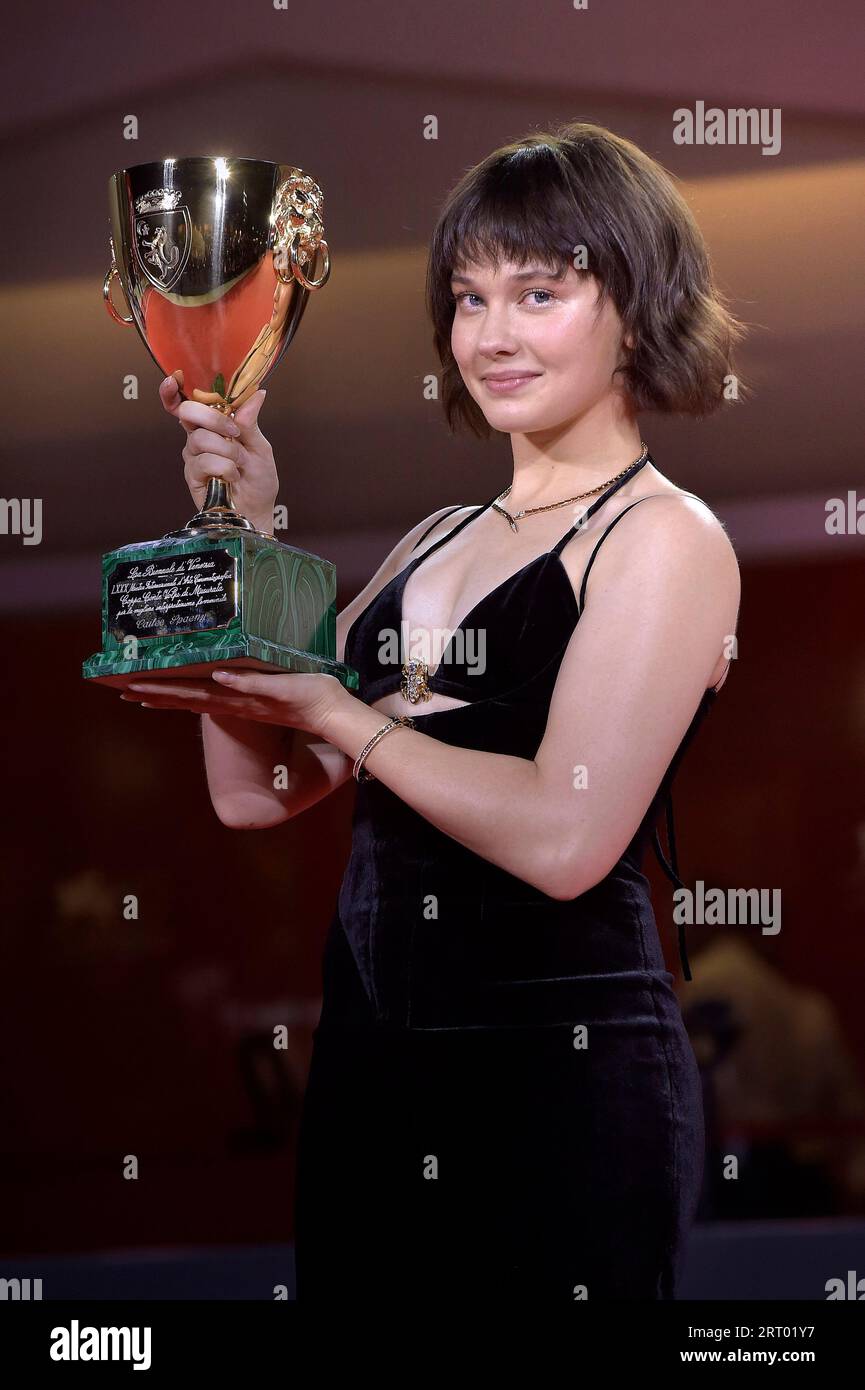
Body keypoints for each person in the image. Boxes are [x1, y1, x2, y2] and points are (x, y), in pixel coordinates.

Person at [121, 120, 743, 1301]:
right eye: (468, 299)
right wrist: (243, 544)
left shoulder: (664, 537)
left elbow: (565, 841)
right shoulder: (436, 539)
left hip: (564, 1079)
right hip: (371, 1067)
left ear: (635, 304)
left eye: (538, 293)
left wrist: (340, 713)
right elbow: (255, 793)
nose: (491, 336)